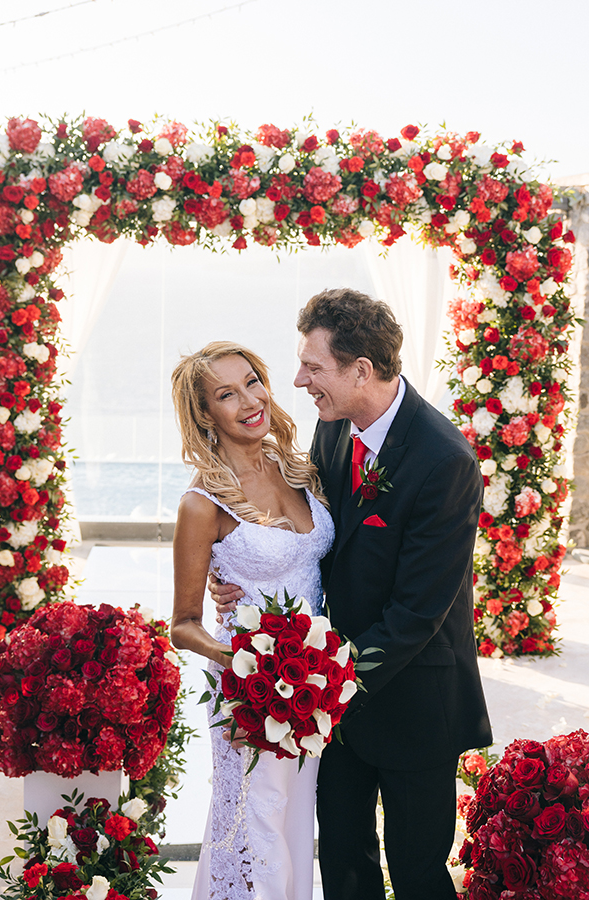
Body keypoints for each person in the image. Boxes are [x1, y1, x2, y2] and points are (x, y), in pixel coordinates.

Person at [212, 289, 493, 900]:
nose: (298, 380)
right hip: (336, 705)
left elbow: (418, 611)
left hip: (414, 698)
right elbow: (316, 537)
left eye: (313, 367)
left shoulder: (445, 460)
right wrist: (242, 568)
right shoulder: (334, 428)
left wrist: (326, 683)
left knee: (417, 870)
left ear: (360, 371)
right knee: (342, 861)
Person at [170, 341, 334, 900]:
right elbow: (184, 624)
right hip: (249, 689)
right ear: (205, 415)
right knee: (255, 821)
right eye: (226, 394)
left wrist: (315, 664)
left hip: (313, 685)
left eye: (252, 382)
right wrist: (244, 663)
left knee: (294, 818)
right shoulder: (202, 504)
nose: (248, 401)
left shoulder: (301, 469)